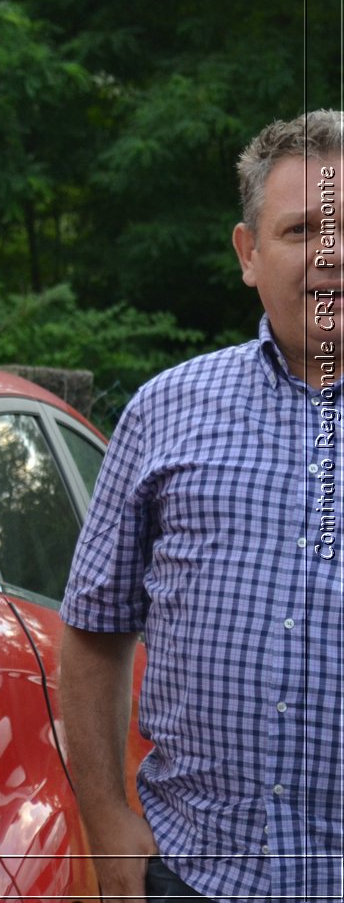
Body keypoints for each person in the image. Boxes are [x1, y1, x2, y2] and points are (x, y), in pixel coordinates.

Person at [60, 109, 344, 902]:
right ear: (248, 254)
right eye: (301, 230)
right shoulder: (164, 412)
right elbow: (91, 629)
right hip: (194, 875)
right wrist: (107, 823)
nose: (333, 255)